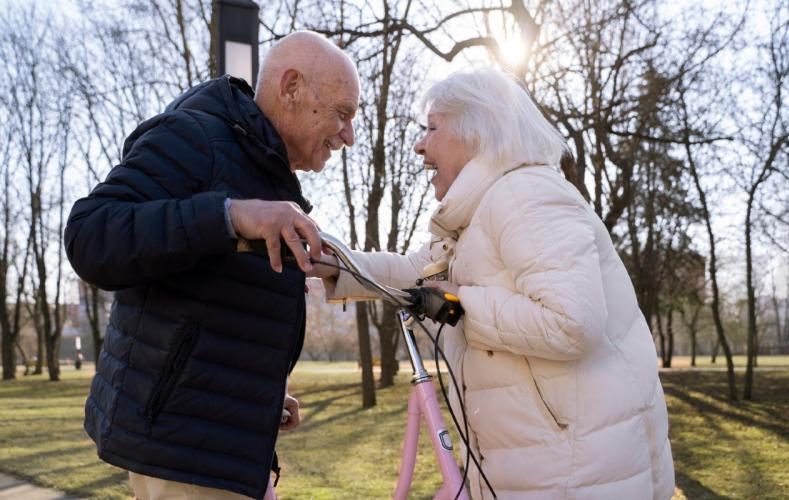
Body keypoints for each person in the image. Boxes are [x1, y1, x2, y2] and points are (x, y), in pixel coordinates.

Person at [311, 68, 675, 499]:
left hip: (575, 474)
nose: (419, 145)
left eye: (432, 128)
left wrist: (459, 306)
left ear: (476, 132)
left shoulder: (525, 196)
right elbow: (416, 272)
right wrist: (331, 262)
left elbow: (572, 322)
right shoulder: (475, 218)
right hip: (539, 464)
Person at [64, 31, 359, 500]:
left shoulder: (258, 165)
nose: (349, 135)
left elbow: (212, 308)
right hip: (183, 456)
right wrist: (230, 214)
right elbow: (91, 235)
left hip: (215, 445)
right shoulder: (197, 137)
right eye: (343, 114)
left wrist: (255, 392)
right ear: (291, 88)